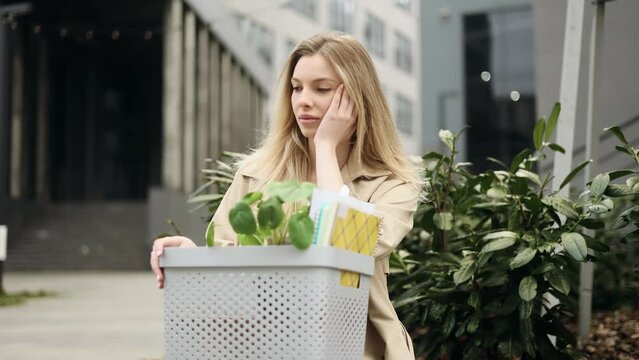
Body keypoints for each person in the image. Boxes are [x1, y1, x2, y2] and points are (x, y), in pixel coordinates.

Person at [150, 32, 422, 360]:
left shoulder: (391, 185)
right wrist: (192, 257)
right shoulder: (256, 175)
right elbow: (232, 273)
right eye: (296, 87)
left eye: (321, 89)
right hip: (264, 347)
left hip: (359, 349)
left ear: (356, 98)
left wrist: (324, 147)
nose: (303, 100)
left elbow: (348, 248)